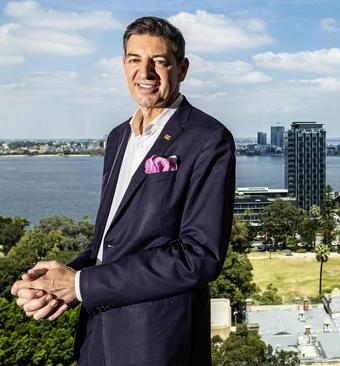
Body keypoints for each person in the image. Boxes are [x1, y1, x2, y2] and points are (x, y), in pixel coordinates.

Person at [10, 16, 235, 366]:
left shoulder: (208, 138)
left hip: (157, 344)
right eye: (135, 60)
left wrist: (82, 285)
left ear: (182, 68)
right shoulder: (118, 137)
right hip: (96, 338)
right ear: (123, 65)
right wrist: (59, 283)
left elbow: (199, 256)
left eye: (159, 61)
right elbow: (109, 242)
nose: (145, 72)